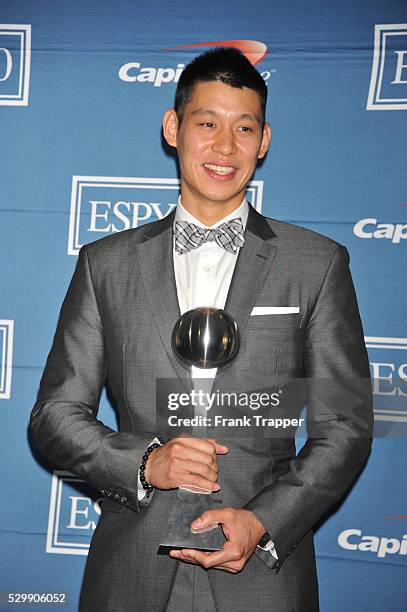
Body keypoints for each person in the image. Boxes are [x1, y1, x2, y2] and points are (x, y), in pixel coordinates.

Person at [30, 47, 373, 611]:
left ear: (263, 141)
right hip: (132, 571)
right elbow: (55, 416)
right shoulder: (105, 264)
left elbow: (347, 425)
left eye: (245, 127)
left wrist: (264, 521)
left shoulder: (317, 263)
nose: (224, 146)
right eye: (206, 122)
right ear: (174, 128)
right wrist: (145, 464)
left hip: (263, 577)